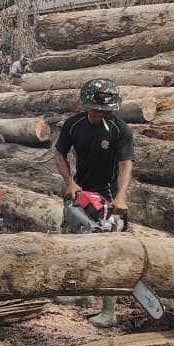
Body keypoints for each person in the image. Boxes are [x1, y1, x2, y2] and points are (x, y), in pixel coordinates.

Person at [53, 78, 135, 328]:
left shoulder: (121, 130)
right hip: (80, 189)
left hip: (106, 193)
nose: (102, 114)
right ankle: (82, 292)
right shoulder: (74, 124)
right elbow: (59, 152)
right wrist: (69, 181)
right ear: (88, 106)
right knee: (71, 238)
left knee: (107, 250)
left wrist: (121, 196)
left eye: (107, 110)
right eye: (98, 110)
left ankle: (109, 311)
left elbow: (125, 165)